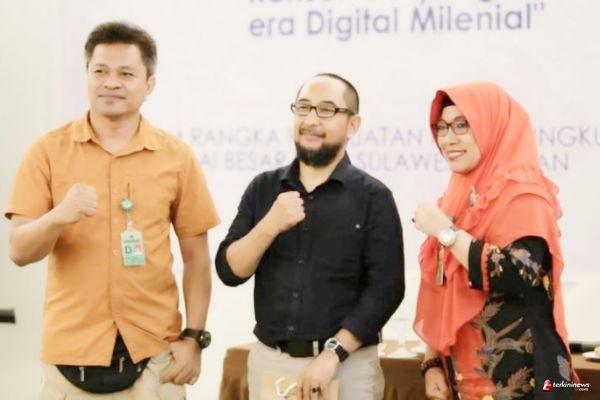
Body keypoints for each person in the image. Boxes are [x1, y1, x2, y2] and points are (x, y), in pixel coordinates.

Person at [6, 21, 219, 399]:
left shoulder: (176, 156)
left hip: (155, 355)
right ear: (87, 76)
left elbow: (197, 258)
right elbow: (20, 251)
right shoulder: (47, 151)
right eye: (100, 71)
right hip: (69, 353)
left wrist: (194, 338)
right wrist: (59, 216)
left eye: (126, 73)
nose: (111, 83)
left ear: (149, 84)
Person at [215, 73, 405, 400]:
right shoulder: (264, 188)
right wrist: (269, 225)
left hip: (345, 365)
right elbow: (230, 271)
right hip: (271, 363)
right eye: (303, 108)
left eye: (326, 110)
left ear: (353, 124)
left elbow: (386, 289)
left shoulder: (373, 197)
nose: (311, 120)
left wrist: (333, 354)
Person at [412, 82, 575, 400]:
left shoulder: (525, 196)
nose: (448, 138)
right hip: (464, 380)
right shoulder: (457, 197)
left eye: (462, 125)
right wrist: (432, 361)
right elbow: (442, 285)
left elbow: (518, 273)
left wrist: (447, 233)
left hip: (526, 382)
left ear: (491, 127)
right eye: (441, 127)